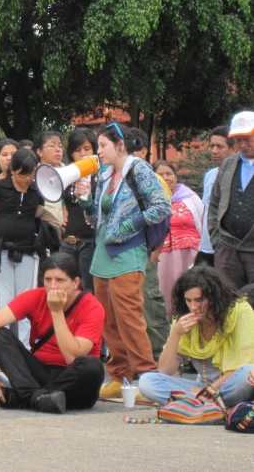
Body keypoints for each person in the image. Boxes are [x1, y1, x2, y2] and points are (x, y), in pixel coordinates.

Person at [74, 122, 171, 398]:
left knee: (130, 317)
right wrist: (84, 202)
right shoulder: (105, 176)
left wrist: (129, 226)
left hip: (129, 252)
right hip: (103, 253)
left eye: (102, 145)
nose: (98, 151)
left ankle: (149, 379)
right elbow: (96, 218)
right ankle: (120, 376)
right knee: (107, 318)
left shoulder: (138, 168)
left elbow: (161, 205)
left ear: (120, 145)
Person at [0, 253, 105, 414]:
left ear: (75, 283)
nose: (53, 286)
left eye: (60, 280)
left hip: (74, 382)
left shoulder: (92, 307)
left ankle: (26, 398)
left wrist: (56, 312)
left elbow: (72, 357)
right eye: (48, 280)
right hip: (40, 372)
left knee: (93, 366)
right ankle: (37, 398)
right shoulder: (35, 296)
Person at [139, 266, 254, 407]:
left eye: (199, 300)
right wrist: (176, 334)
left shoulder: (239, 311)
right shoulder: (184, 316)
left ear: (214, 297)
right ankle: (206, 407)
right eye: (188, 300)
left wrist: (208, 391)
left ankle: (193, 405)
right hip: (200, 390)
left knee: (246, 373)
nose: (193, 307)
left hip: (229, 387)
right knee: (147, 381)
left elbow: (246, 365)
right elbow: (165, 370)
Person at [0, 149, 43, 346]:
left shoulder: (37, 190)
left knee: (25, 301)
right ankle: (2, 349)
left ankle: (24, 348)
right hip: (1, 251)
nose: (27, 178)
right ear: (13, 171)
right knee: (4, 301)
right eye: (23, 174)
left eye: (31, 173)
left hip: (28, 250)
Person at [128, 127, 172, 361]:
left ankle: (161, 357)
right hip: (120, 255)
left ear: (144, 152)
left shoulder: (153, 180)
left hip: (144, 253)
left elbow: (162, 222)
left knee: (150, 306)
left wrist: (153, 252)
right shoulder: (115, 177)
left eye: (131, 150)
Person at [208, 111, 254, 289]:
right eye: (238, 140)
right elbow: (214, 202)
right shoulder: (229, 164)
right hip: (227, 248)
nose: (242, 144)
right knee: (227, 302)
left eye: (247, 139)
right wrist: (216, 240)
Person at [154, 160, 204, 318]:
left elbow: (203, 222)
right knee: (164, 294)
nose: (165, 177)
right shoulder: (150, 200)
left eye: (169, 173)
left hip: (189, 254)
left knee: (191, 290)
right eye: (160, 174)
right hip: (162, 257)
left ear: (176, 176)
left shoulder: (190, 198)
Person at [59, 128, 98, 294]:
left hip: (89, 242)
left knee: (88, 290)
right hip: (68, 242)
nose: (82, 154)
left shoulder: (102, 177)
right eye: (77, 150)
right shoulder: (68, 175)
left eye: (87, 149)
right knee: (65, 289)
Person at [196, 126, 236, 266]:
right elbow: (206, 210)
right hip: (206, 248)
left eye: (220, 146)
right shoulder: (210, 175)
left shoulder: (240, 176)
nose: (214, 151)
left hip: (228, 249)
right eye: (212, 146)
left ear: (233, 149)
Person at [35, 131, 65, 224]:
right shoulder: (32, 175)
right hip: (42, 228)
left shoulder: (68, 171)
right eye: (52, 146)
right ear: (40, 152)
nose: (58, 150)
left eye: (60, 146)